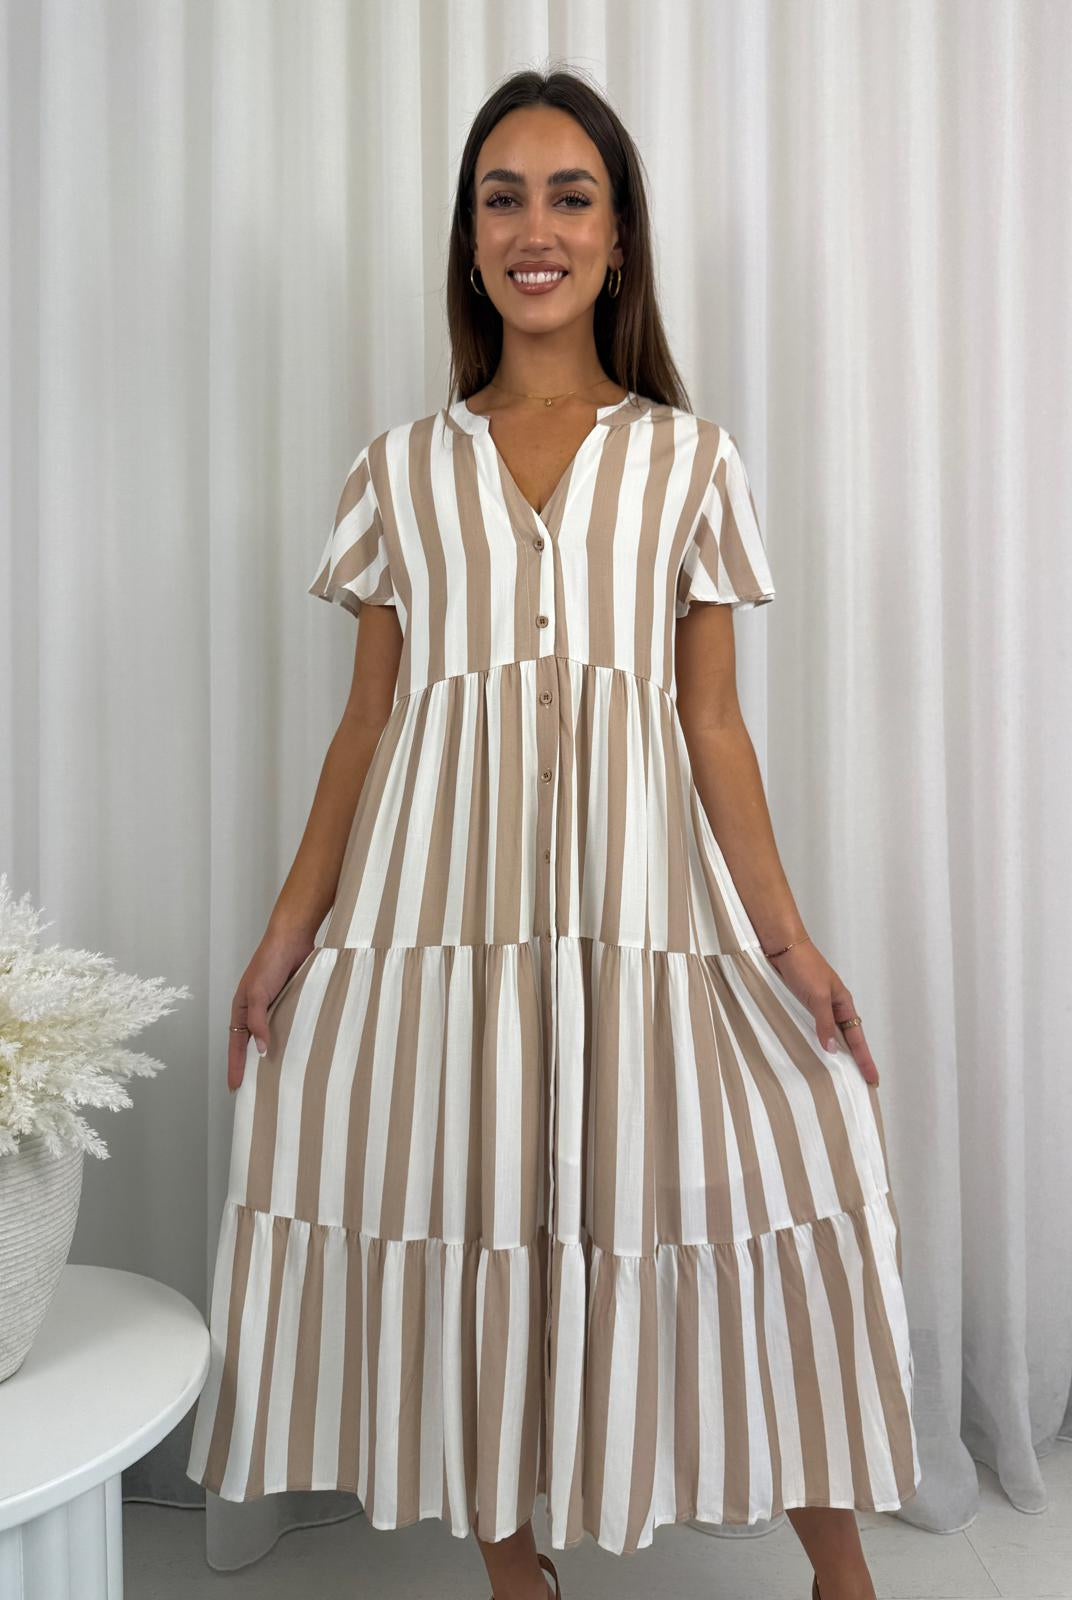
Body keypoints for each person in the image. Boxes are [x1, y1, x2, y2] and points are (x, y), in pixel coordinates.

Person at [186, 66, 920, 1600]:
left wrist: (791, 946)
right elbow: (372, 722)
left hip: (644, 913)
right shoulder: (401, 470)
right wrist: (285, 935)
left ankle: (839, 1572)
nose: (535, 227)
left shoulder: (688, 462)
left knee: (753, 1183)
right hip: (436, 922)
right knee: (467, 1208)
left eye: (569, 196)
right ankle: (517, 1573)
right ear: (468, 243)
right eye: (502, 197)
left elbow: (710, 723)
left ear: (618, 238)